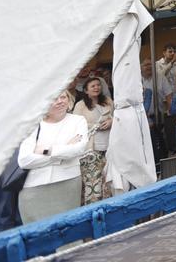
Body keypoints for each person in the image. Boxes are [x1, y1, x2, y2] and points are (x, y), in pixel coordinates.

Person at [17, 90, 88, 224]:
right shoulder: (33, 125)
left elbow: (78, 148)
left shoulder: (78, 121)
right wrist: (63, 151)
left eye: (63, 97)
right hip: (34, 188)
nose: (60, 101)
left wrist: (44, 150)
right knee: (37, 234)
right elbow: (24, 160)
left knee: (69, 229)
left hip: (68, 183)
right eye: (54, 98)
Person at [70, 77, 112, 205]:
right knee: (95, 177)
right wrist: (95, 125)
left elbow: (117, 117)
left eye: (98, 85)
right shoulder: (80, 105)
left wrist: (111, 121)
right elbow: (76, 124)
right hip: (91, 146)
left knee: (108, 174)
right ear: (86, 90)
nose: (96, 88)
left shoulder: (108, 101)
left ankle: (109, 200)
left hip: (109, 141)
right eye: (93, 86)